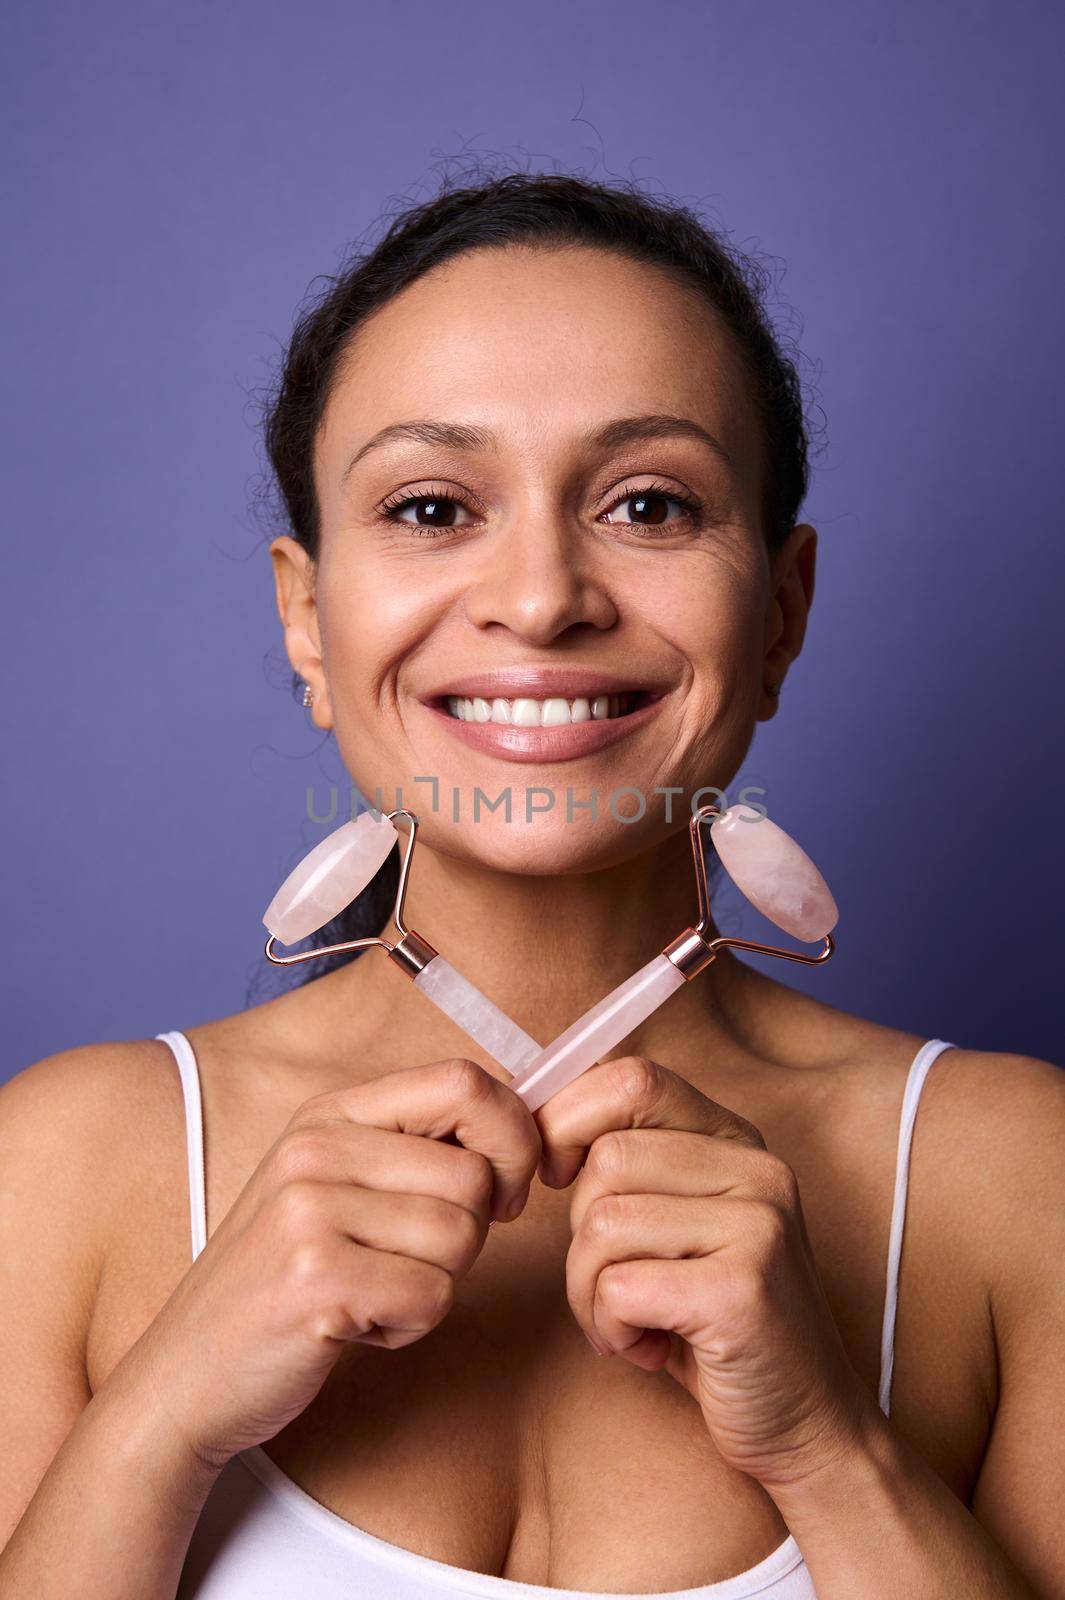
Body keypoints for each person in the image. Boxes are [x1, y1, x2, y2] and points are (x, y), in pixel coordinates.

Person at [1, 171, 1061, 1600]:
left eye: (647, 502)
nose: (542, 595)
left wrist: (828, 1449)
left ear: (782, 612)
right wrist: (158, 1421)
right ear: (307, 622)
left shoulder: (1015, 1179)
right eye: (434, 506)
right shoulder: (65, 1167)